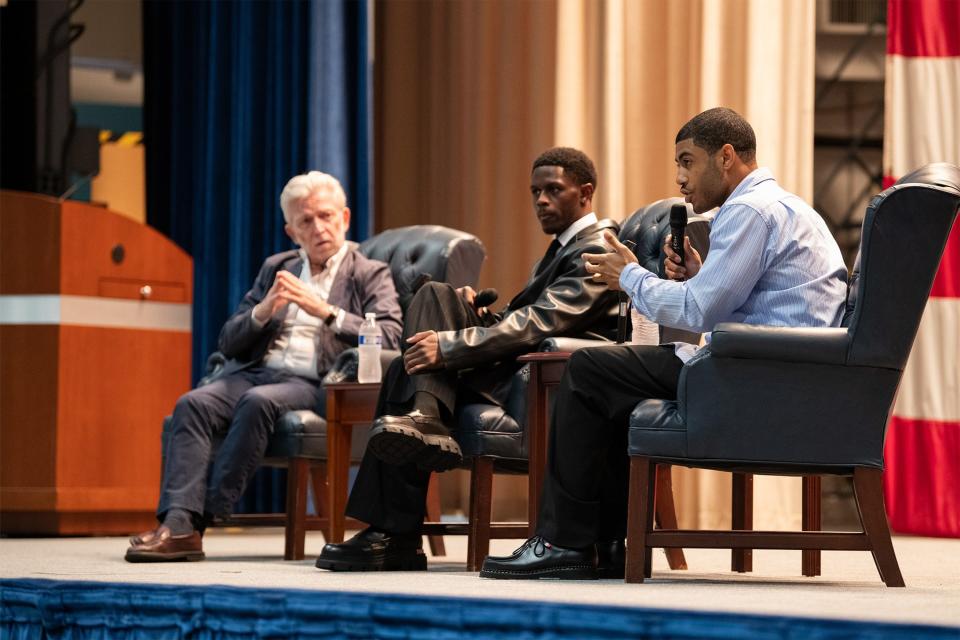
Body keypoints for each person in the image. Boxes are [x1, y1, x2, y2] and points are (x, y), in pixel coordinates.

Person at [480, 107, 849, 580]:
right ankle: (605, 545)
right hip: (777, 367)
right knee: (610, 381)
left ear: (727, 157)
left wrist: (628, 276)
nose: (679, 178)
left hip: (755, 373)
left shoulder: (748, 210)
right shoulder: (783, 205)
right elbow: (739, 301)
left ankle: (564, 541)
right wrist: (699, 275)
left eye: (688, 162)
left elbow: (696, 313)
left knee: (589, 370)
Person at [316, 147, 621, 572]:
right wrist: (479, 316)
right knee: (435, 297)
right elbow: (522, 318)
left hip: (545, 378)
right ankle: (423, 419)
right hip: (517, 362)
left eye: (553, 190)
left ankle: (394, 534)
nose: (541, 201)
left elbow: (543, 321)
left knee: (407, 367)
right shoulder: (557, 251)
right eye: (535, 191)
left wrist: (453, 345)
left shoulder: (600, 247)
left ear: (585, 192)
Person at [126, 171, 403, 562]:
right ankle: (177, 523)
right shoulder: (278, 267)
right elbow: (229, 340)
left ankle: (200, 517)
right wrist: (263, 310)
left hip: (317, 381)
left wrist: (324, 311)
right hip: (257, 371)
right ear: (291, 231)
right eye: (306, 221)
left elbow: (390, 335)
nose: (319, 228)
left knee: (259, 401)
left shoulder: (368, 272)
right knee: (193, 403)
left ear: (345, 218)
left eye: (326, 216)